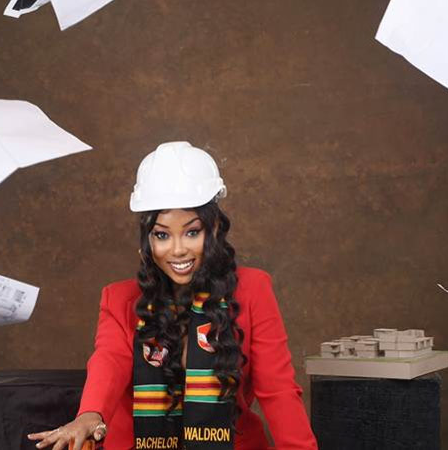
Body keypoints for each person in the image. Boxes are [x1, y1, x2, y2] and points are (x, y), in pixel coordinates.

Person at [28, 142, 318, 450]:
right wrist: (89, 414)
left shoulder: (253, 290)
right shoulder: (119, 300)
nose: (178, 249)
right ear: (147, 240)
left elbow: (279, 392)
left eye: (192, 232)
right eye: (162, 235)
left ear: (215, 228)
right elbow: (108, 362)